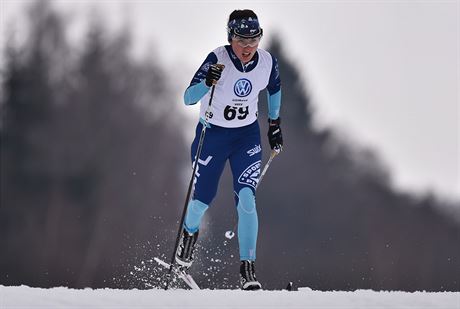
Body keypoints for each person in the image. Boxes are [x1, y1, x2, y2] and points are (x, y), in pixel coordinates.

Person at [176, 9, 283, 291]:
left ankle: (247, 268)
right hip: (212, 136)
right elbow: (188, 98)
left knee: (247, 198)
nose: (247, 48)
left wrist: (274, 123)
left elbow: (274, 87)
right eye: (240, 41)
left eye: (253, 41)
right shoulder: (218, 59)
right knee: (202, 198)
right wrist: (206, 82)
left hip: (246, 137)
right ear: (230, 38)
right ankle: (189, 234)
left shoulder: (267, 62)